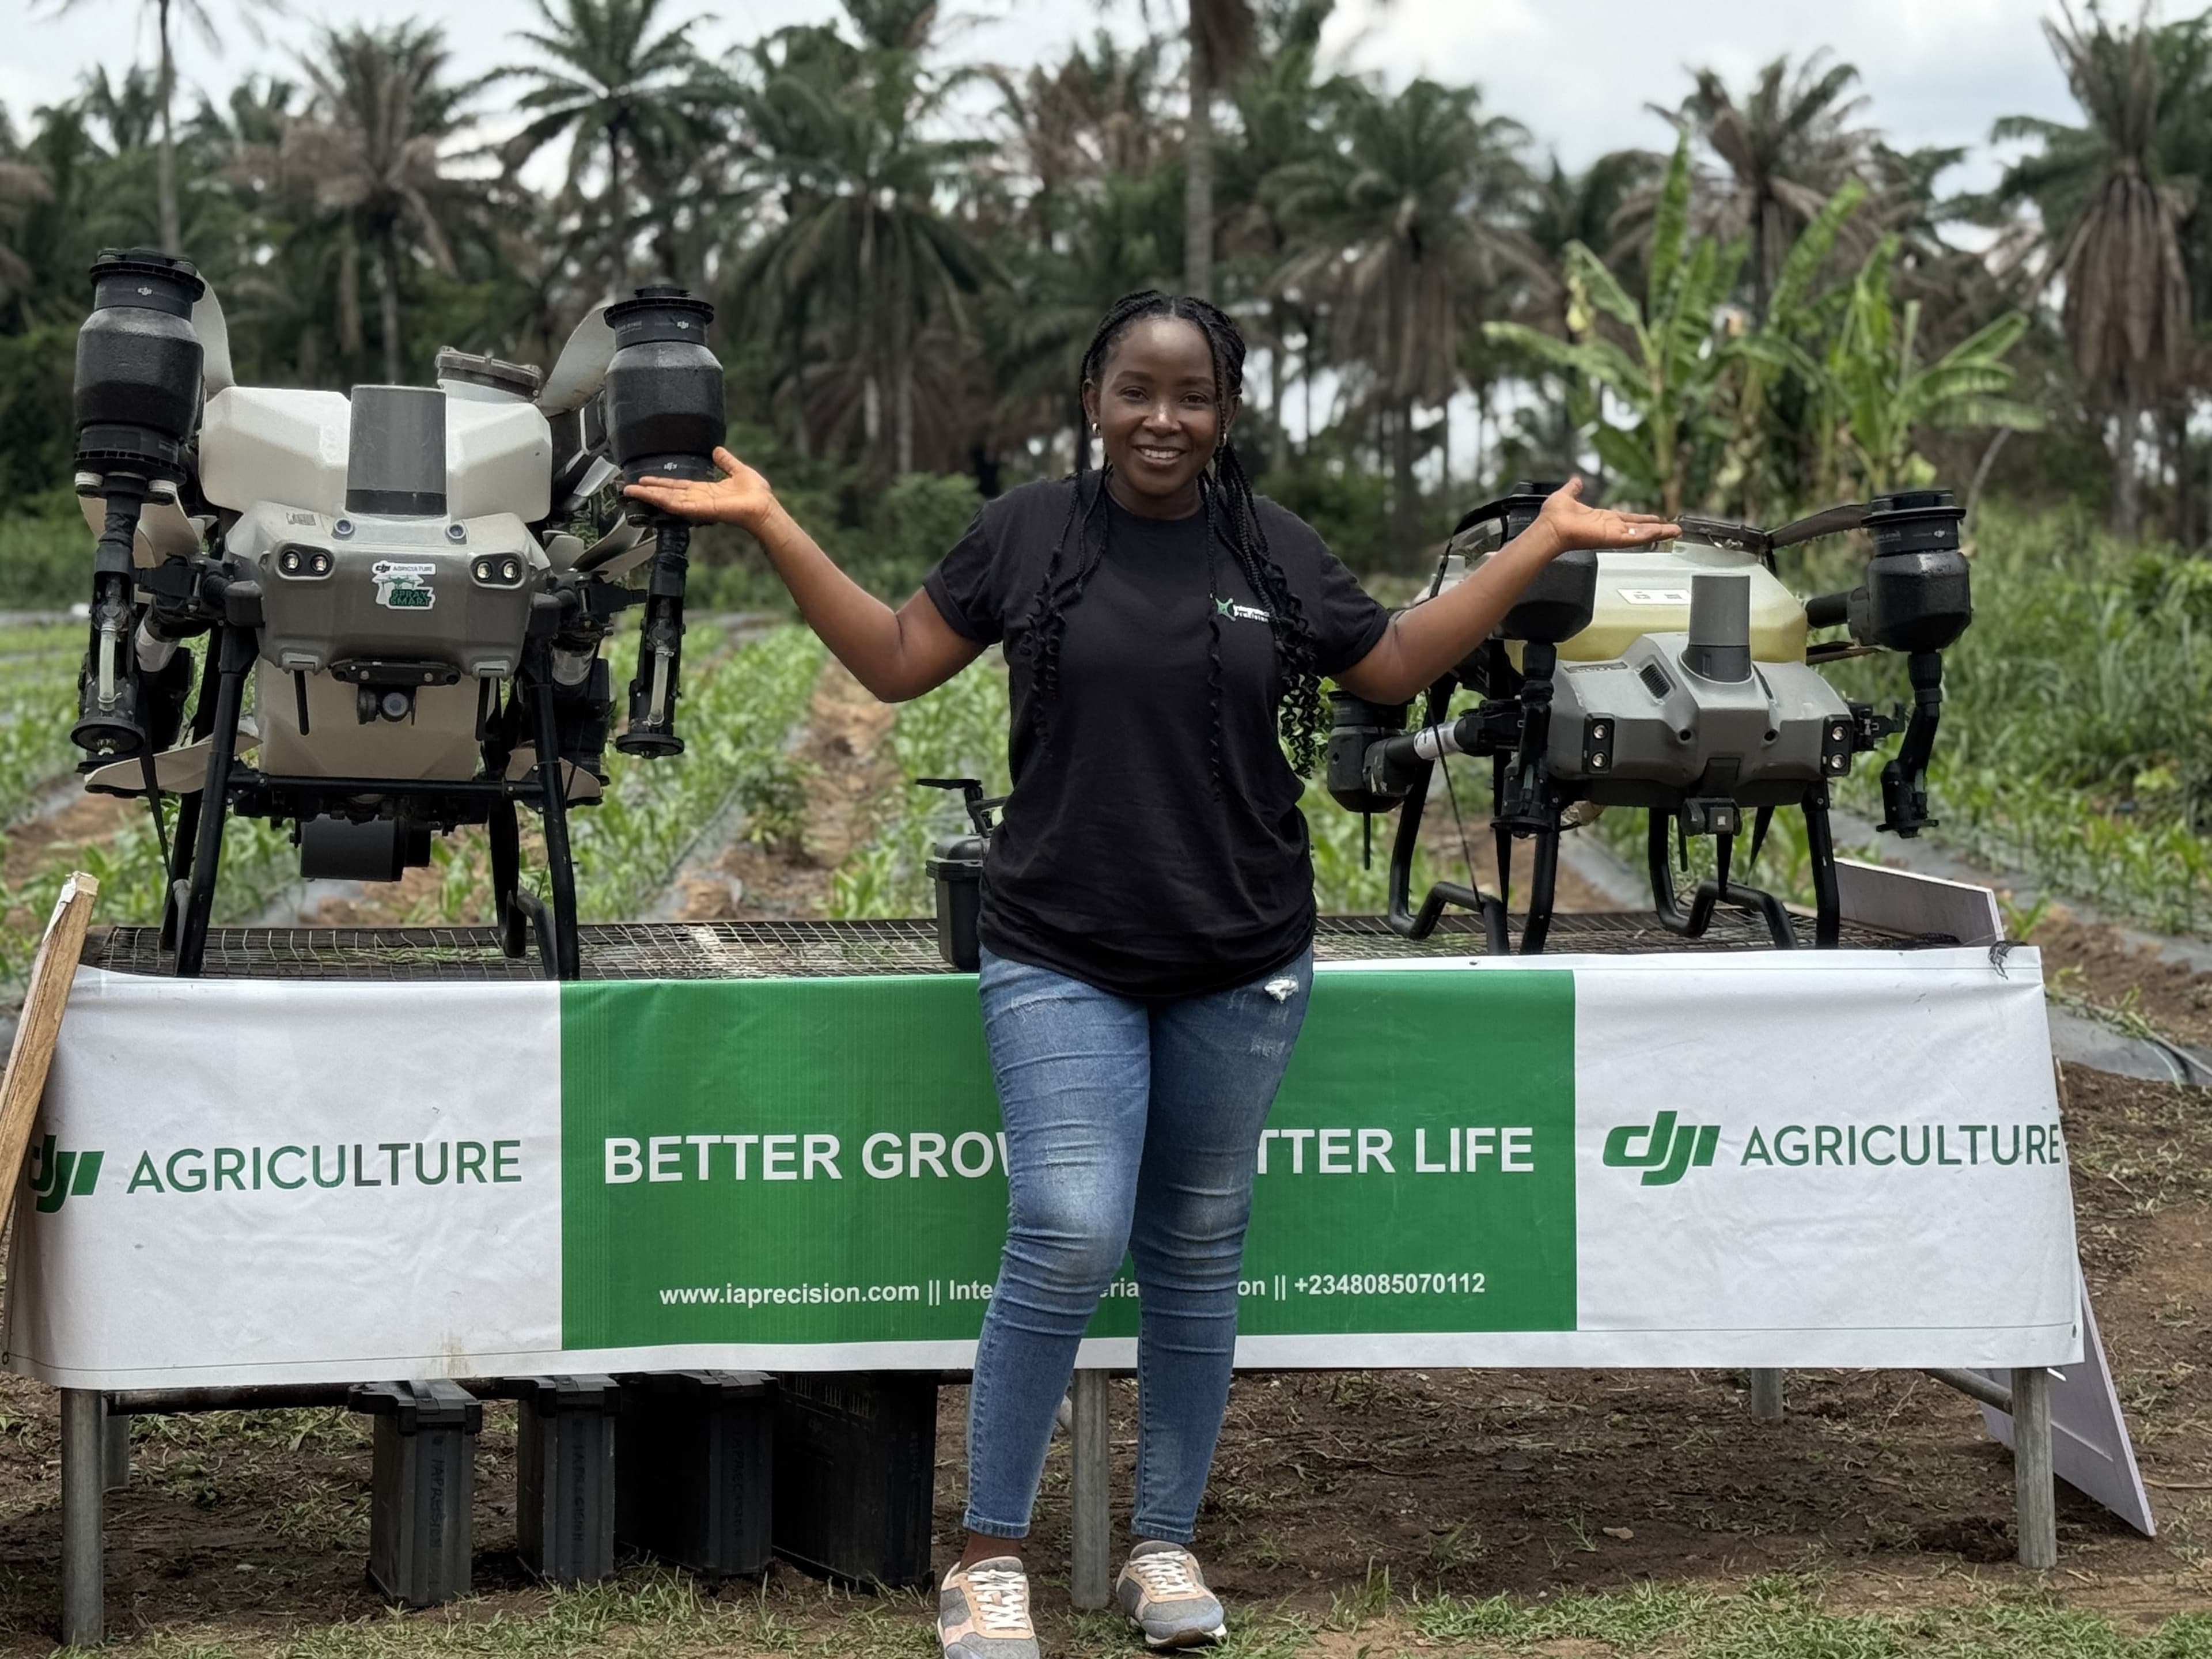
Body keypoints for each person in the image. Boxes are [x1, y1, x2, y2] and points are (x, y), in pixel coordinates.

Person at [624, 290, 1677, 1658]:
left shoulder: (1274, 549)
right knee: (1066, 1225)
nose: (1162, 419)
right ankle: (988, 1557)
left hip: (1241, 956)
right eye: (1137, 390)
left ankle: (1162, 1547)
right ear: (1093, 398)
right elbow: (890, 664)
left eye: (1191, 397)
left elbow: (1400, 660)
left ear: (1225, 414)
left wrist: (1539, 541)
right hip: (1061, 947)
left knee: (1195, 1248)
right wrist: (770, 522)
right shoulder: (1028, 535)